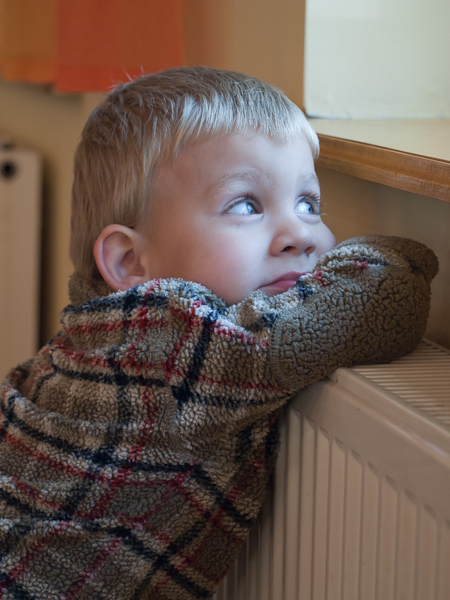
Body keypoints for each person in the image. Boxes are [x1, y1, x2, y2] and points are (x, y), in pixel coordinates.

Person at [0, 67, 438, 600]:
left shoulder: (90, 340)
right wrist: (405, 257)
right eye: (246, 205)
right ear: (131, 261)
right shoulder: (171, 348)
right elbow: (377, 297)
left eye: (308, 204)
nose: (301, 234)